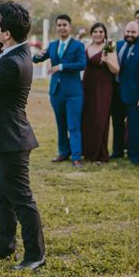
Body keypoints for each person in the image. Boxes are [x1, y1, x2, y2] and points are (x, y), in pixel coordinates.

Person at [0, 2, 45, 271]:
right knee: (3, 197)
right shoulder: (13, 53)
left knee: (21, 199)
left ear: (7, 34)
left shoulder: (13, 63)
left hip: (10, 140)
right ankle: (5, 245)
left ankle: (35, 254)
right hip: (0, 138)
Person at [33, 14, 86, 166]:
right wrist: (37, 56)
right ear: (56, 28)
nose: (62, 28)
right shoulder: (53, 45)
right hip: (56, 92)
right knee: (61, 125)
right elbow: (37, 59)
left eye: (64, 25)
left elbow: (82, 64)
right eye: (59, 25)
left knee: (73, 125)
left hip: (74, 93)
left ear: (70, 27)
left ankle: (76, 157)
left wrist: (61, 67)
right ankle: (63, 153)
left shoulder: (78, 45)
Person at [112, 21, 139, 165]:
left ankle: (134, 155)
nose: (130, 35)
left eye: (133, 32)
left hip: (134, 94)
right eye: (128, 32)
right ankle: (117, 151)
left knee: (134, 125)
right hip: (116, 93)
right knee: (117, 123)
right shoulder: (116, 46)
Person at [82, 22, 118, 162]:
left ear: (105, 34)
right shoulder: (87, 47)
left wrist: (107, 60)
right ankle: (87, 150)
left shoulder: (109, 48)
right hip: (87, 86)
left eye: (101, 32)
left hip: (103, 88)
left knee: (100, 118)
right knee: (87, 118)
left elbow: (116, 69)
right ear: (91, 34)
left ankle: (99, 152)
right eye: (95, 32)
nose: (98, 34)